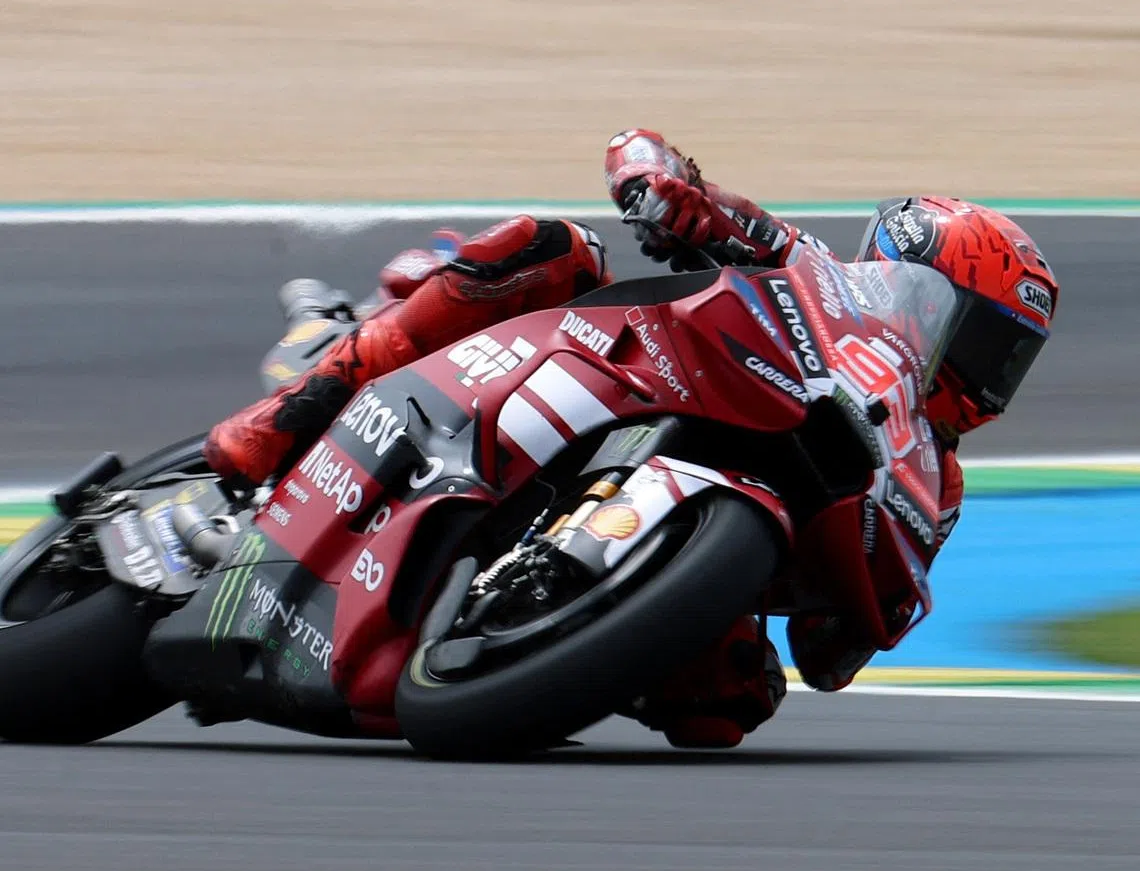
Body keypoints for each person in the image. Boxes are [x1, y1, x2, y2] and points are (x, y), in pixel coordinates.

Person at [204, 129, 1059, 748]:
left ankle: (525, 642)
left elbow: (833, 657)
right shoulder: (814, 269)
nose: (989, 376)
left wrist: (860, 610)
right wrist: (654, 182)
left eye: (1008, 360)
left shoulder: (934, 483)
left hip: (723, 519)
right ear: (915, 285)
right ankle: (298, 406)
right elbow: (666, 175)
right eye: (983, 340)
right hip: (620, 374)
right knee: (552, 249)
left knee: (728, 708)